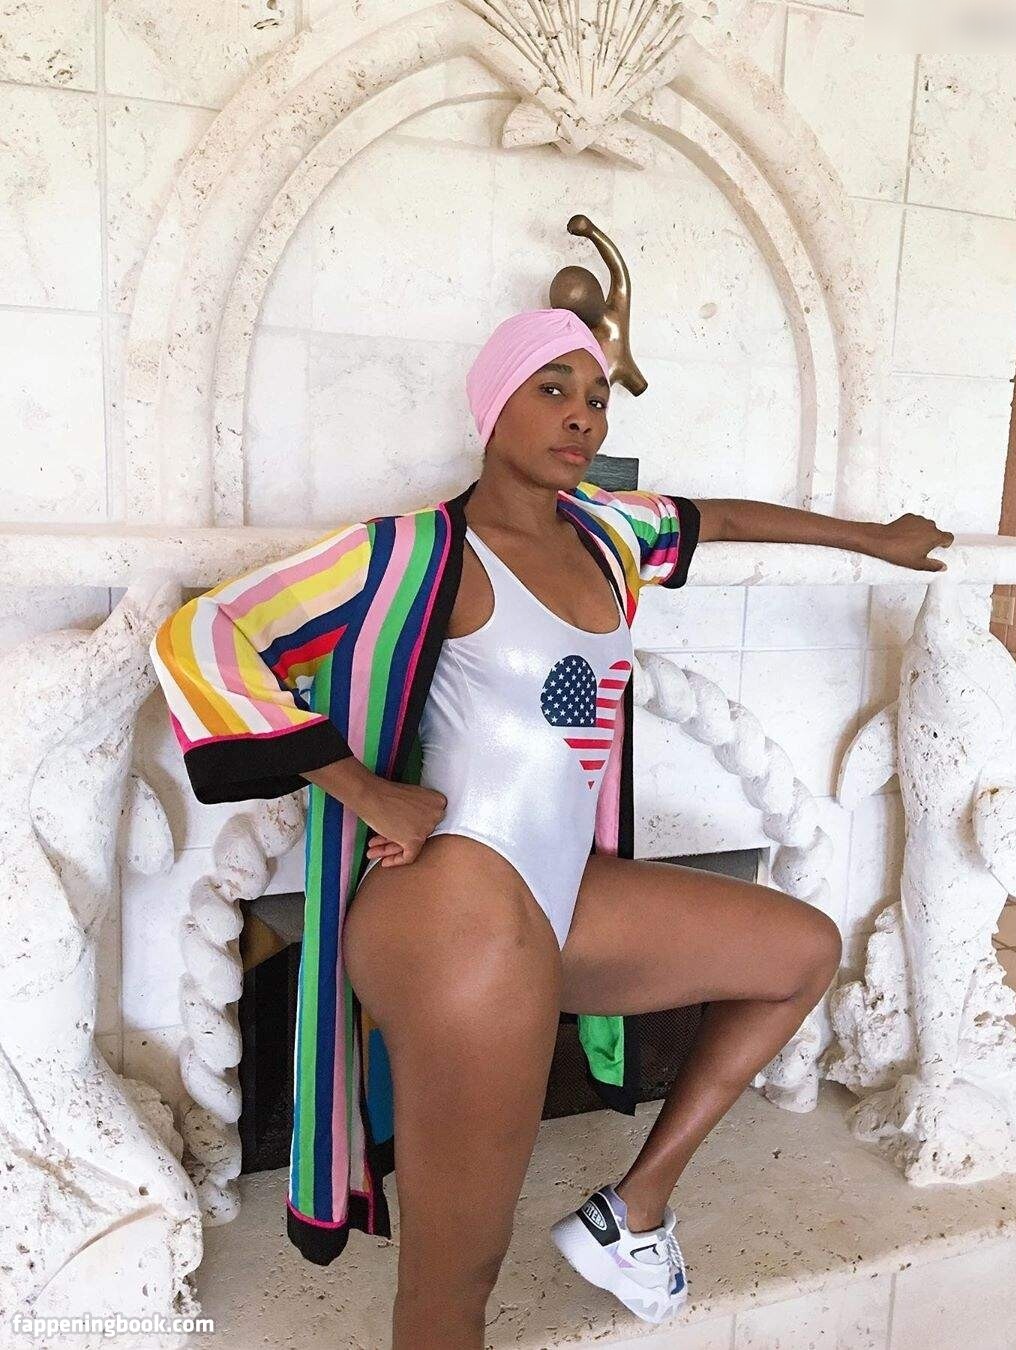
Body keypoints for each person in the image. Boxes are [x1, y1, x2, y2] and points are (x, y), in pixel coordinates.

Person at [151, 307, 952, 1348]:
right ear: (493, 407)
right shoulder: (412, 550)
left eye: (596, 397)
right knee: (455, 1280)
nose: (582, 416)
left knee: (799, 950)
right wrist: (362, 788)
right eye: (553, 389)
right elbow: (203, 633)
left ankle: (633, 1212)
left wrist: (876, 541)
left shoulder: (608, 535)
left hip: (561, 892)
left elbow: (722, 520)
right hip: (454, 905)